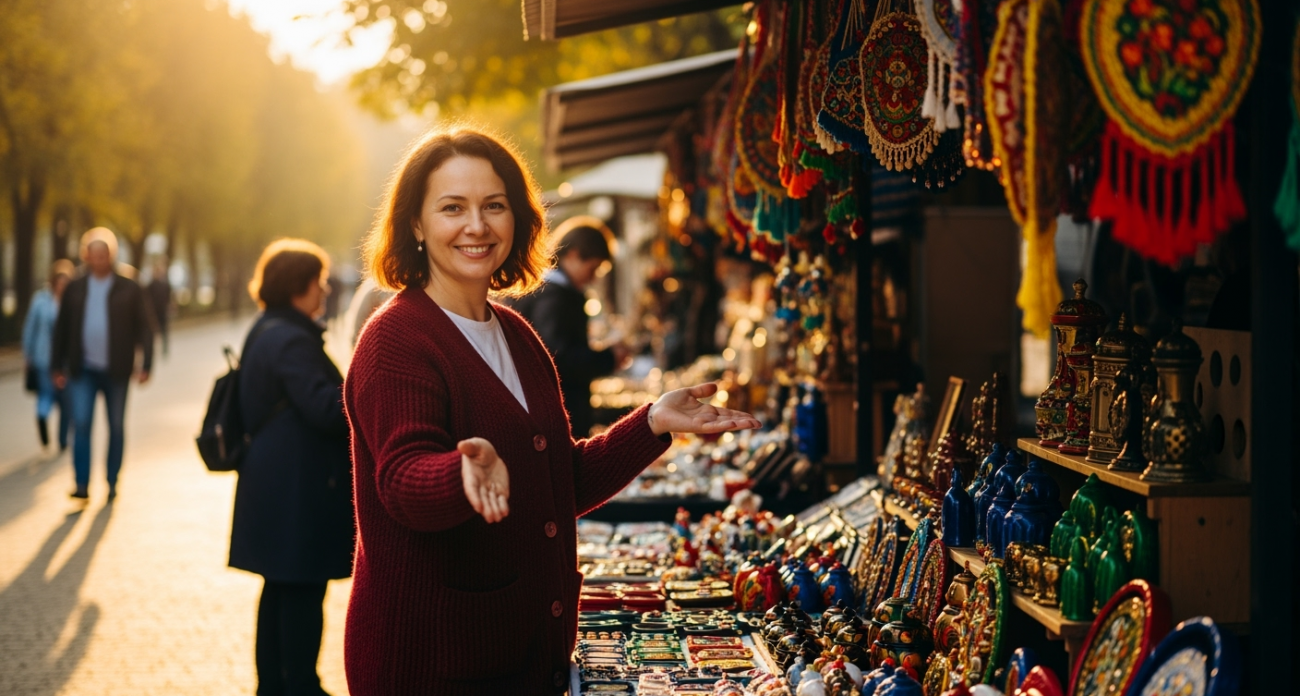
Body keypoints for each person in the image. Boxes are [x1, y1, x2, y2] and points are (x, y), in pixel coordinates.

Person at [343, 127, 760, 694]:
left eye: (494, 206)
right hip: (439, 666)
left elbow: (558, 478)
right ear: (415, 224)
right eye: (452, 208)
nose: (477, 225)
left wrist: (652, 422)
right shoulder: (396, 340)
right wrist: (461, 473)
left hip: (521, 655)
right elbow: (402, 478)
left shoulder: (515, 333)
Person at [229, 238, 354, 696]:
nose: (324, 291)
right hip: (295, 489)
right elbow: (324, 409)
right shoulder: (291, 339)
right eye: (318, 282)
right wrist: (365, 386)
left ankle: (275, 683)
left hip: (276, 482)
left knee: (280, 587)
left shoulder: (268, 329)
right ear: (299, 286)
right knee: (301, 587)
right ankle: (299, 684)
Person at [51, 228, 153, 500]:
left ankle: (111, 481)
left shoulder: (129, 286)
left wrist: (146, 365)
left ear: (111, 255)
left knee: (116, 426)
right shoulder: (75, 286)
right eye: (93, 254)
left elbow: (145, 327)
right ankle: (82, 483)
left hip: (117, 370)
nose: (98, 259)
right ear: (86, 255)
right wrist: (56, 366)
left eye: (104, 254)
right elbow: (61, 329)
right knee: (81, 424)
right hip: (82, 368)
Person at [510, 216, 625, 438]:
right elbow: (557, 357)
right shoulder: (553, 297)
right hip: (555, 417)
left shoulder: (545, 291)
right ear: (572, 255)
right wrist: (608, 358)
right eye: (593, 268)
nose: (593, 278)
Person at [22, 259, 76, 451]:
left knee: (66, 402)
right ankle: (42, 417)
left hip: (67, 360)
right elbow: (30, 328)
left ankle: (62, 439)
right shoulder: (41, 300)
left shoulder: (74, 301)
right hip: (44, 357)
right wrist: (28, 353)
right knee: (48, 394)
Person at [147, 259, 173, 356]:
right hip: (154, 312)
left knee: (164, 331)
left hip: (163, 310)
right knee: (153, 332)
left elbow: (169, 297)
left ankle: (165, 349)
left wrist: (170, 307)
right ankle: (153, 350)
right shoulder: (151, 285)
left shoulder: (165, 284)